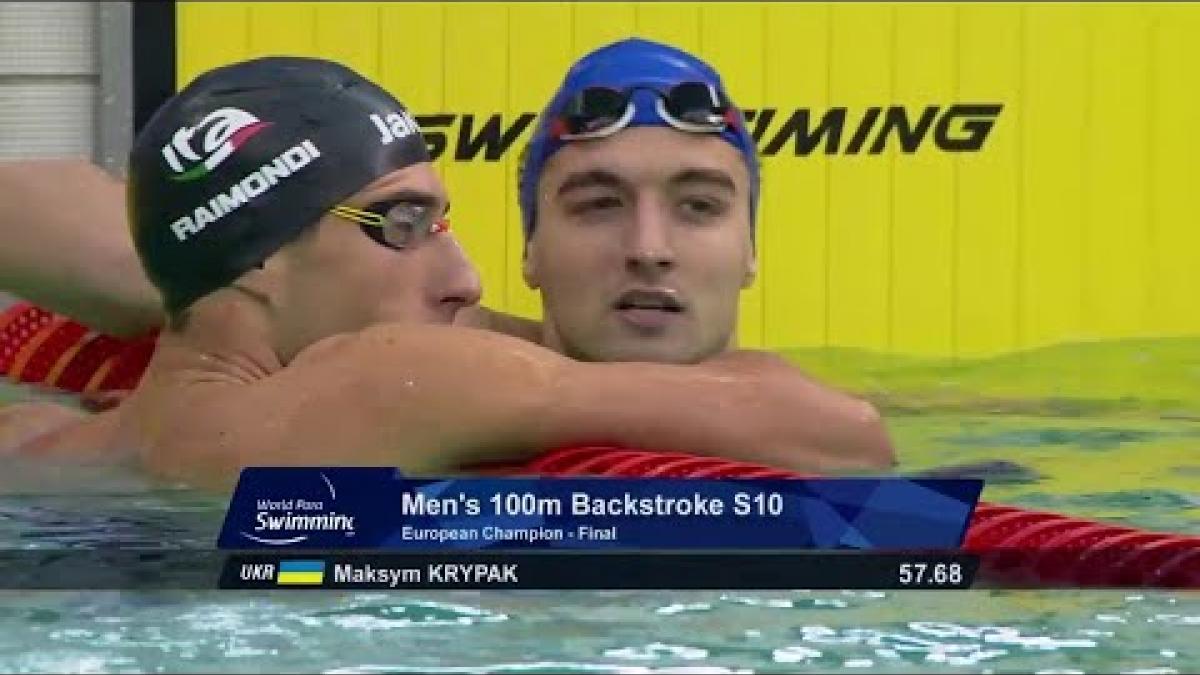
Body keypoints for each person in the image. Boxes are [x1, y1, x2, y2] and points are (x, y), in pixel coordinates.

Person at [0, 56, 892, 488]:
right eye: (404, 223)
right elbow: (849, 438)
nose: (466, 279)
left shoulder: (34, 444)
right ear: (262, 260)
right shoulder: (393, 382)